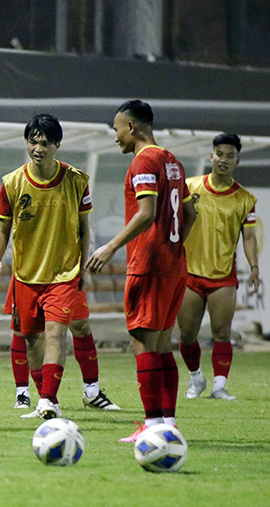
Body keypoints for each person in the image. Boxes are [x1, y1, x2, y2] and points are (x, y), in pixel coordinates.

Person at [85, 100, 197, 442]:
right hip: (174, 265)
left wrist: (110, 246)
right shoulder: (172, 161)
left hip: (148, 266)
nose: (116, 136)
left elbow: (146, 212)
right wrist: (172, 246)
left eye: (117, 129)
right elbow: (191, 214)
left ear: (131, 127)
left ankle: (151, 425)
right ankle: (167, 423)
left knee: (143, 344)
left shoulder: (143, 161)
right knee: (162, 345)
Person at [0, 113, 97, 420]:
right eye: (33, 142)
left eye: (45, 143)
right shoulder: (11, 183)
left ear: (57, 145)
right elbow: (2, 231)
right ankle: (46, 400)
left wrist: (82, 268)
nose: (38, 148)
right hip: (26, 275)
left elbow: (84, 229)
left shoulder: (77, 180)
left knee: (55, 334)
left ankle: (48, 399)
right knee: (32, 340)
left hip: (64, 273)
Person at [177, 134, 259, 401]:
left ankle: (219, 386)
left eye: (229, 156)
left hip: (223, 276)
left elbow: (249, 236)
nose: (223, 160)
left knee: (222, 333)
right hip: (189, 274)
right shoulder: (190, 187)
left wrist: (254, 268)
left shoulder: (245, 199)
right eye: (219, 154)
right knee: (187, 335)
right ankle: (196, 379)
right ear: (211, 156)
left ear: (237, 160)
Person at [7, 280, 119, 411]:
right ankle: (24, 393)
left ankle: (92, 392)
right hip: (29, 276)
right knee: (24, 330)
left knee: (80, 325)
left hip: (65, 276)